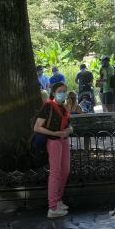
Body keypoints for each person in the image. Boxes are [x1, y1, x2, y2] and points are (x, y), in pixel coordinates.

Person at [33, 82, 74, 219]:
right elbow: (37, 127)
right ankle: (52, 207)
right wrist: (55, 133)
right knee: (55, 172)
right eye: (60, 91)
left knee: (65, 171)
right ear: (53, 93)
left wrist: (68, 130)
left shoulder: (63, 107)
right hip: (54, 142)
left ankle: (58, 200)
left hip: (64, 141)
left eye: (64, 91)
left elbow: (69, 126)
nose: (63, 93)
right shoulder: (48, 106)